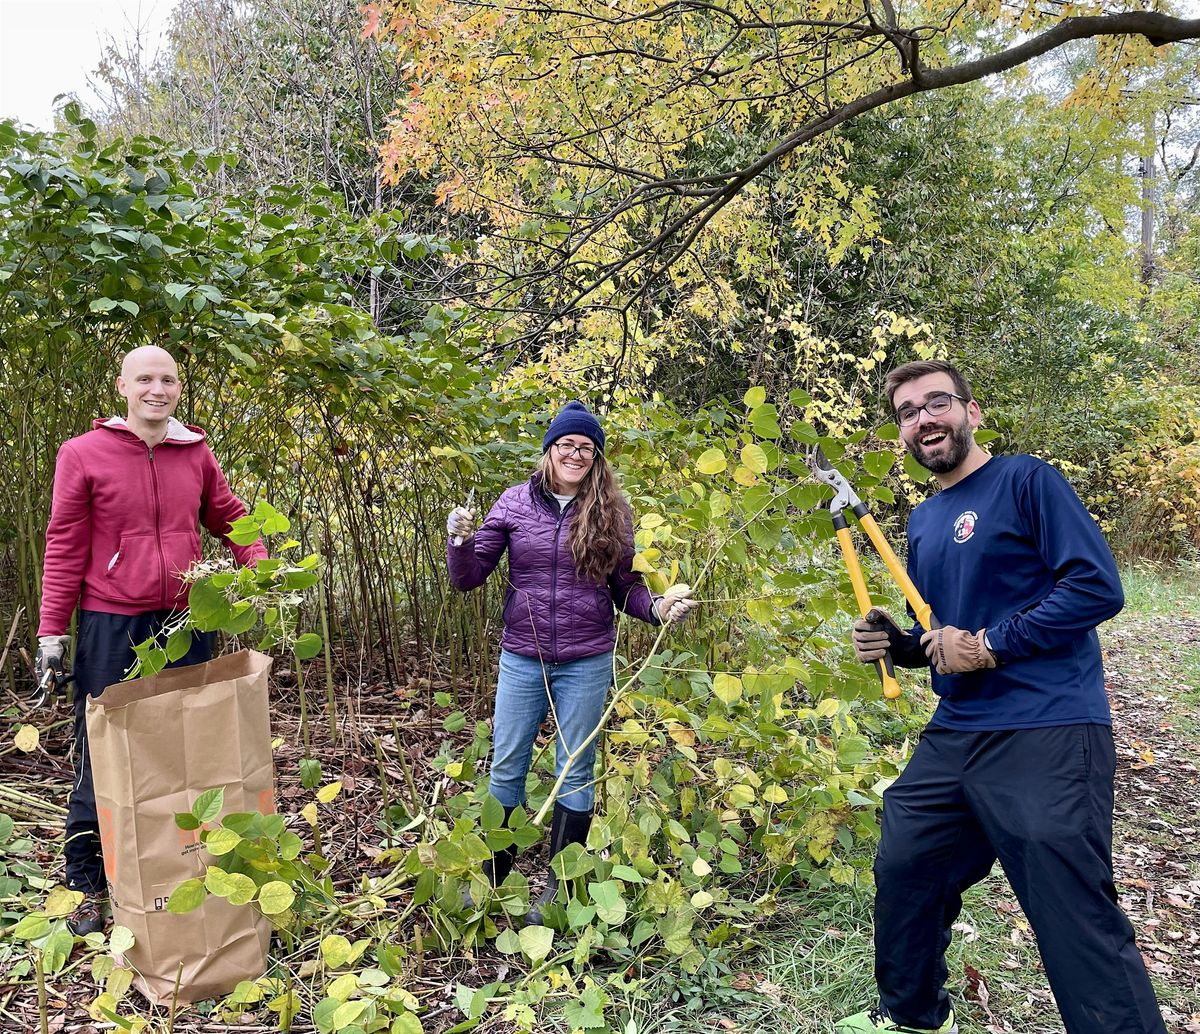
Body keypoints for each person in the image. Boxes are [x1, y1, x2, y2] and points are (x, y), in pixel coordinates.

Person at [835, 360, 1166, 1034]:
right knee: (906, 864)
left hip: (1049, 722)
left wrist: (990, 643)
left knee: (1071, 909)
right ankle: (915, 1016)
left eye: (937, 402)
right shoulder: (924, 521)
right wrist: (895, 643)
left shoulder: (1027, 481)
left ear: (971, 411)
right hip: (959, 730)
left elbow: (1096, 588)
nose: (924, 418)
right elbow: (939, 637)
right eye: (907, 411)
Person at [34, 345, 266, 937]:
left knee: (185, 753)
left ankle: (170, 873)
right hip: (112, 623)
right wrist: (52, 632)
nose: (155, 389)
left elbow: (231, 518)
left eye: (167, 379)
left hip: (187, 619)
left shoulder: (196, 454)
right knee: (103, 753)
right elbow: (63, 544)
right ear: (122, 387)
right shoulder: (82, 454)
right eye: (144, 379)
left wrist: (261, 565)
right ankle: (86, 881)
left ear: (179, 390)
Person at [446, 400, 697, 924]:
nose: (576, 454)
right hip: (523, 655)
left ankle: (561, 893)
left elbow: (624, 587)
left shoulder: (611, 512)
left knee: (575, 768)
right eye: (567, 445)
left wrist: (658, 608)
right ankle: (496, 882)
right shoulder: (515, 504)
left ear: (597, 457)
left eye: (587, 447)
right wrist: (459, 540)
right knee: (507, 763)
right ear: (550, 451)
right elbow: (468, 578)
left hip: (587, 657)